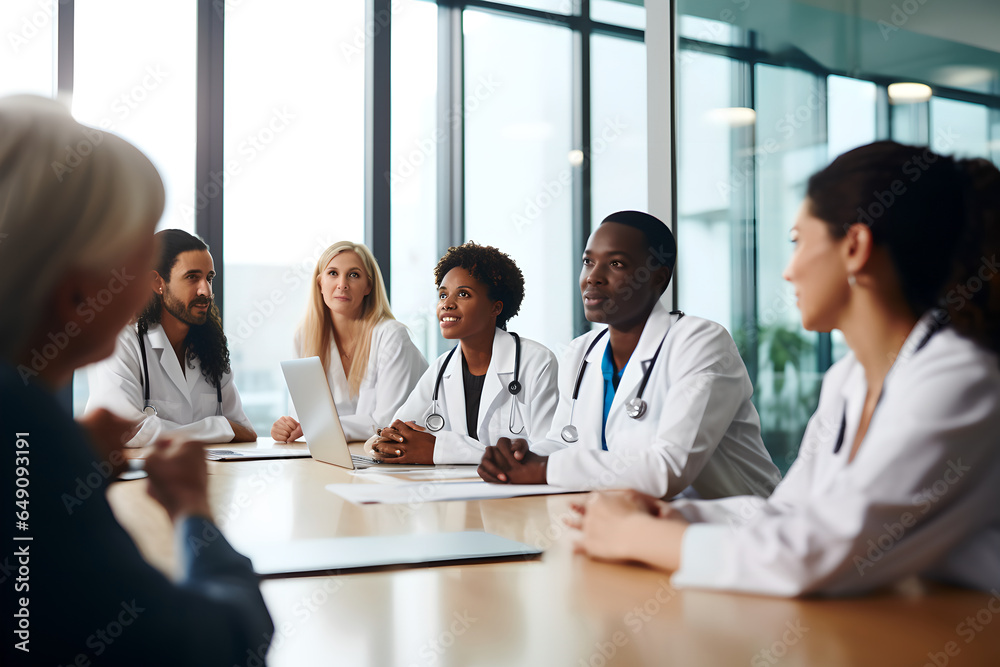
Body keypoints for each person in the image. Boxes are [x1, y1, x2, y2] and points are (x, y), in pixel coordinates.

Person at [570, 142, 1000, 596]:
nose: (788, 272)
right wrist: (675, 516)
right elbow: (794, 511)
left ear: (854, 247)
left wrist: (637, 536)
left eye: (798, 243)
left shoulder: (961, 379)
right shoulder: (849, 379)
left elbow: (812, 557)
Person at [0, 95, 272, 665]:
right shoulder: (27, 428)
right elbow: (219, 642)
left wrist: (75, 469)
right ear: (77, 291)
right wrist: (193, 512)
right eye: (139, 248)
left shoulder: (26, 420)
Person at [478, 211, 781, 499]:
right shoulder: (582, 352)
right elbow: (563, 441)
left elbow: (668, 470)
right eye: (588, 261)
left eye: (617, 264)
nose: (593, 277)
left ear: (657, 278)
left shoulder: (701, 342)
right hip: (632, 517)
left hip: (736, 528)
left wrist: (543, 470)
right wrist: (519, 458)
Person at [371, 242, 559, 464]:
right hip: (456, 490)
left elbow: (549, 452)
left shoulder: (536, 362)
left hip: (515, 494)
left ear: (495, 308)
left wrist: (441, 451)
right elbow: (396, 430)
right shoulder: (442, 368)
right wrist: (387, 441)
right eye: (443, 295)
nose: (447, 304)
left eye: (463, 294)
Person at [85, 229, 257, 446]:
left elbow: (244, 429)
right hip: (135, 478)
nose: (205, 290)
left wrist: (225, 428)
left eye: (209, 278)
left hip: (206, 475)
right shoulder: (121, 342)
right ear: (157, 282)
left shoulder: (210, 347)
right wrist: (221, 427)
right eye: (192, 277)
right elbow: (126, 431)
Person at [270, 241, 427, 442]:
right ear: (320, 283)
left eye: (353, 275)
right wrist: (286, 428)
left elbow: (387, 423)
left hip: (399, 459)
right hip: (340, 457)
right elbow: (303, 419)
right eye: (333, 273)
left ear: (368, 286)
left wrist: (317, 426)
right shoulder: (304, 337)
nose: (342, 284)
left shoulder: (392, 336)